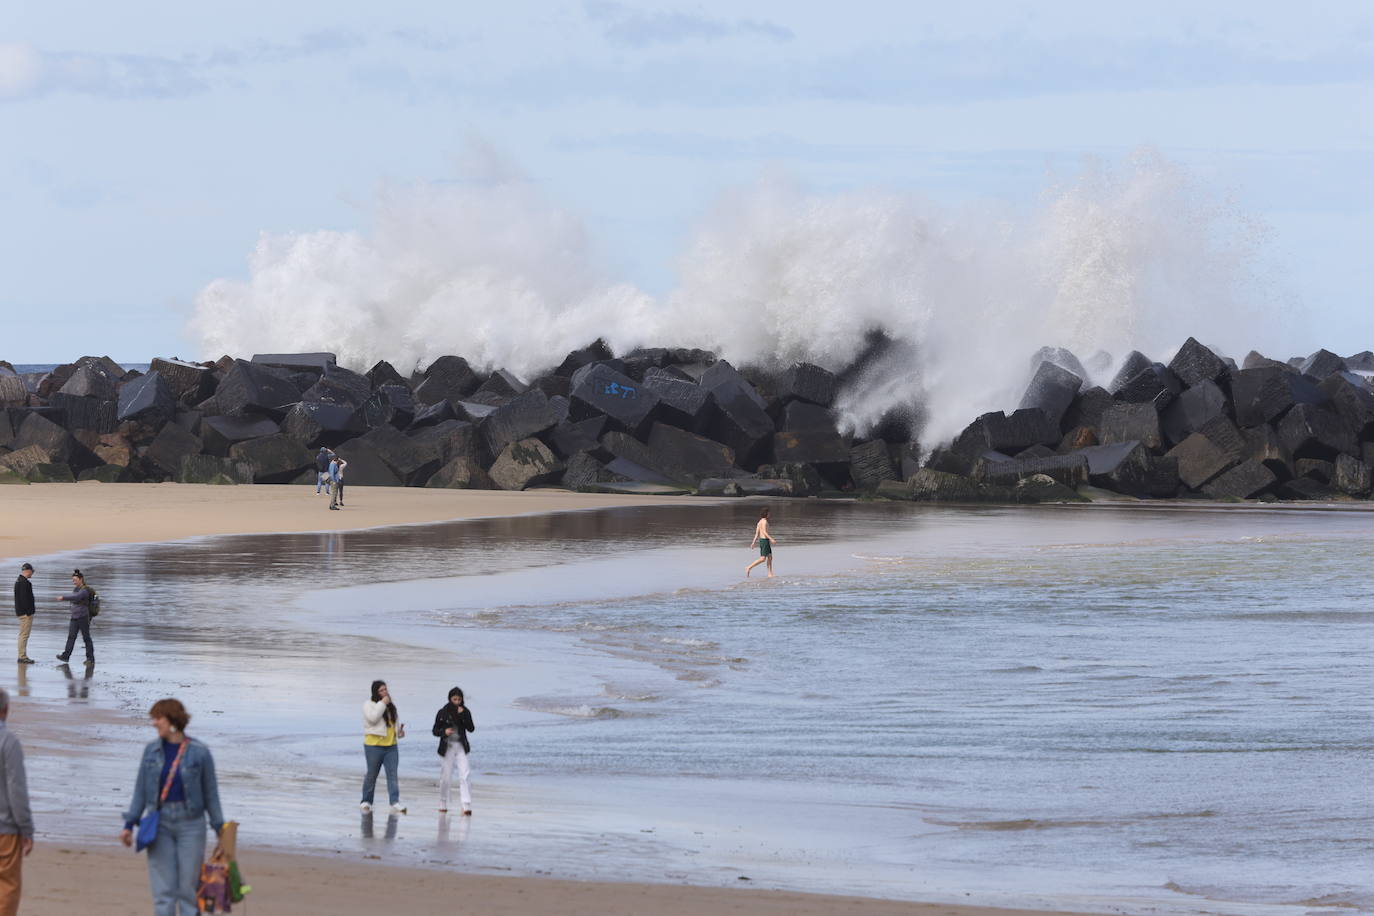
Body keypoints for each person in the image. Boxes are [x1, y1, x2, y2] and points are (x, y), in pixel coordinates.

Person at [120, 699, 224, 916]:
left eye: (158, 718)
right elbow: (140, 790)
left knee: (188, 890)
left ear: (173, 721)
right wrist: (129, 824)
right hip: (159, 824)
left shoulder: (200, 752)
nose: (154, 723)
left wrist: (220, 831)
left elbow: (211, 794)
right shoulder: (151, 751)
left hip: (192, 824)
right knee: (163, 892)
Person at [0, 687, 35, 916]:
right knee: (7, 887)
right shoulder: (8, 742)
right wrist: (26, 828)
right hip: (5, 829)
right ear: (5, 710)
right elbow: (16, 789)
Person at [361, 680, 405, 814]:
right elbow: (373, 718)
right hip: (373, 746)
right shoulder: (369, 705)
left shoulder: (391, 706)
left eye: (385, 689)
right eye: (381, 690)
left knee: (392, 775)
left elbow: (392, 726)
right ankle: (366, 801)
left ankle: (395, 802)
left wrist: (400, 733)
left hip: (391, 746)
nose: (385, 692)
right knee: (372, 774)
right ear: (375, 692)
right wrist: (383, 703)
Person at [431, 687, 475, 815]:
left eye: (459, 699)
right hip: (447, 746)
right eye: (454, 699)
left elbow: (471, 728)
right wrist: (444, 732)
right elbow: (435, 730)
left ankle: (466, 804)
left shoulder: (465, 711)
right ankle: (442, 801)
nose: (457, 702)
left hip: (461, 745)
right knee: (446, 775)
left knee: (465, 774)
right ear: (450, 699)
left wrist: (463, 715)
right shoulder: (442, 712)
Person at [55, 569, 94, 664]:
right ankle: (65, 656)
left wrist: (63, 597)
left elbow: (76, 597)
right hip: (74, 617)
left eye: (75, 580)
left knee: (86, 638)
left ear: (81, 579)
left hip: (83, 617)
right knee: (71, 637)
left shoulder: (84, 590)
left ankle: (90, 659)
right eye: (73, 580)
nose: (74, 582)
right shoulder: (76, 589)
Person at [12, 565, 34, 665]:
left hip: (21, 612)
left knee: (23, 635)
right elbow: (24, 599)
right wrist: (29, 612)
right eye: (32, 572)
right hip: (25, 613)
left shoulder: (18, 581)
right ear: (27, 571)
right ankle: (22, 656)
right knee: (24, 635)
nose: (32, 574)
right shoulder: (24, 582)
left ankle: (22, 655)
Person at [746, 507, 777, 578]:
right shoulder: (764, 522)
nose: (770, 514)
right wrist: (771, 539)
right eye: (769, 513)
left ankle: (770, 574)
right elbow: (764, 532)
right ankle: (749, 567)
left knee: (770, 557)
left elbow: (757, 533)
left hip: (763, 540)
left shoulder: (759, 522)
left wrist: (753, 543)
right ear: (766, 514)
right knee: (763, 559)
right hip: (764, 541)